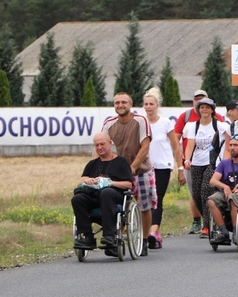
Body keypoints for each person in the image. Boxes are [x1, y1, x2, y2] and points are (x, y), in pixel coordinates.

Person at [101, 92, 156, 256]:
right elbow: (101, 146)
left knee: (144, 205)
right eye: (117, 102)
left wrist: (132, 167)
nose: (120, 105)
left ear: (130, 104)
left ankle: (144, 240)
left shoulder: (140, 121)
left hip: (140, 169)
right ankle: (116, 237)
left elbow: (145, 146)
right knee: (117, 205)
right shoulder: (109, 124)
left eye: (124, 102)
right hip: (117, 171)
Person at [174, 90, 225, 235]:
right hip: (196, 162)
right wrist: (187, 160)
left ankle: (207, 225)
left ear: (212, 110)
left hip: (212, 163)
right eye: (202, 107)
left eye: (207, 107)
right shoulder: (193, 126)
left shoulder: (219, 125)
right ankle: (209, 219)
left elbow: (230, 136)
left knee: (205, 192)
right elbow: (189, 145)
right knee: (195, 194)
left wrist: (224, 156)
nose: (204, 110)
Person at [72, 132, 134, 250]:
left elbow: (129, 184)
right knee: (77, 199)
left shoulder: (121, 162)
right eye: (97, 145)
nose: (99, 148)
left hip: (114, 196)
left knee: (106, 193)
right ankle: (88, 237)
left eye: (102, 144)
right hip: (95, 196)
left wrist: (109, 183)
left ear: (110, 144)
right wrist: (88, 180)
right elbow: (81, 180)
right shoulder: (92, 164)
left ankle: (109, 235)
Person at [143, 87, 181, 250]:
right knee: (146, 200)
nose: (149, 106)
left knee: (157, 198)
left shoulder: (165, 123)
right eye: (146, 104)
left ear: (157, 105)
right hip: (146, 167)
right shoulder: (141, 122)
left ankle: (153, 232)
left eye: (151, 104)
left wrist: (180, 168)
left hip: (163, 166)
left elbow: (175, 146)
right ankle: (153, 232)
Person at [207, 134, 238, 243]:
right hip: (225, 193)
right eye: (230, 145)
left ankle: (236, 231)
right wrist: (225, 186)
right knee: (211, 200)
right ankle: (223, 232)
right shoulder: (224, 163)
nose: (232, 147)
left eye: (235, 145)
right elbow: (213, 181)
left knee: (233, 198)